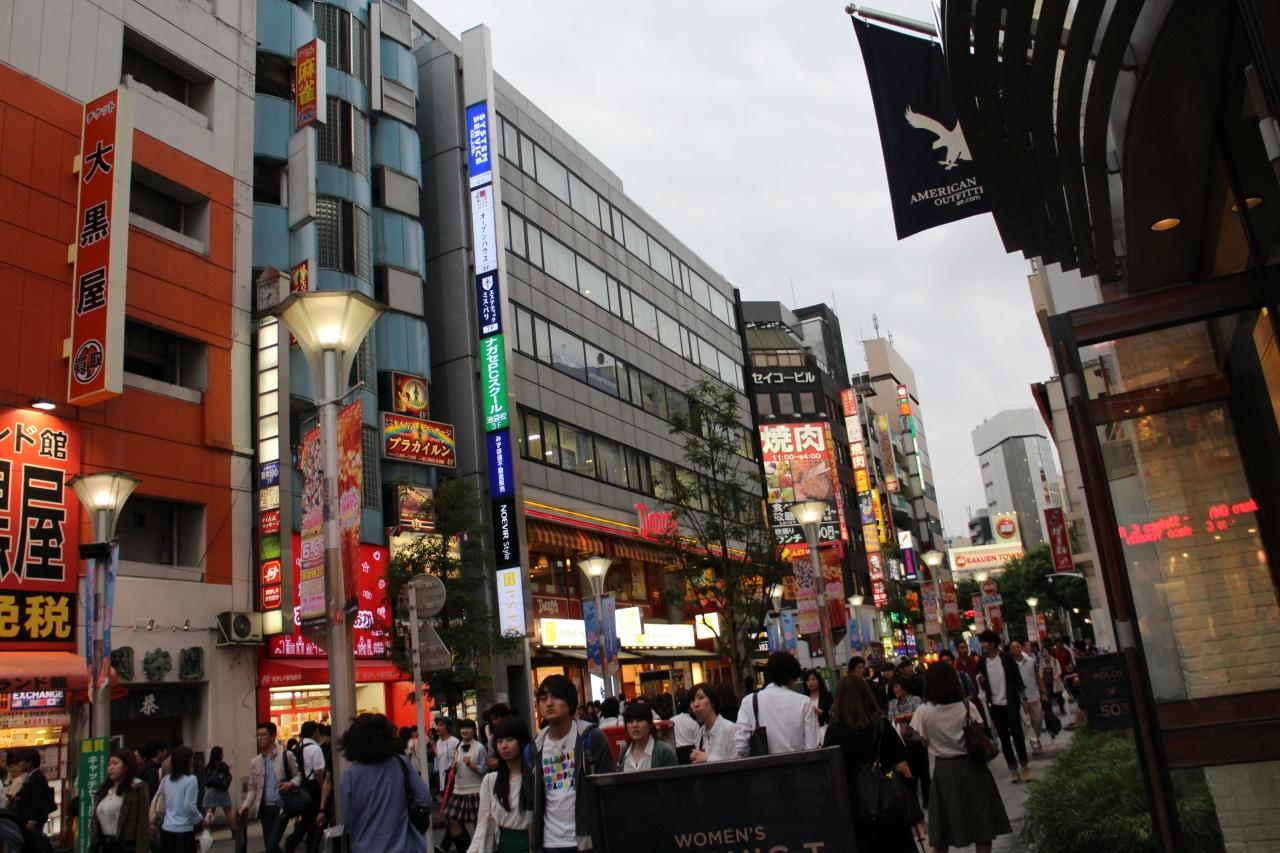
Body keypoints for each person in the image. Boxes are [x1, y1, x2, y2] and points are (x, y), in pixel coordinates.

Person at [911, 662, 1011, 853]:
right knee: (982, 824)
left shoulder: (923, 711)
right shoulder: (966, 706)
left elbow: (923, 740)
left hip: (944, 770)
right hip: (973, 765)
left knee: (942, 829)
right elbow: (979, 730)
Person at [823, 676, 916, 853]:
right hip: (886, 801)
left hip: (854, 806)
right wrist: (910, 792)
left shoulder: (834, 730)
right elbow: (902, 765)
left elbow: (830, 770)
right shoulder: (881, 724)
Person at [530, 675, 615, 852]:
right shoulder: (535, 747)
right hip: (549, 843)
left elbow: (610, 791)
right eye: (543, 699)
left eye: (556, 697)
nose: (549, 703)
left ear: (570, 703)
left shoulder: (592, 738)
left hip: (586, 842)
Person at [338, 713, 432, 852]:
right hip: (404, 846)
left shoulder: (350, 775)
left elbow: (347, 819)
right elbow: (424, 799)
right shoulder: (401, 763)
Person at [468, 718, 533, 853]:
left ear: (521, 741)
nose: (504, 746)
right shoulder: (490, 780)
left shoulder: (534, 777)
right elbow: (482, 823)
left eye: (510, 740)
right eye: (499, 741)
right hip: (502, 846)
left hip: (530, 845)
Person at [976, 630, 1032, 782]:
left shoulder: (1006, 658)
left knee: (1017, 734)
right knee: (1004, 738)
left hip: (1011, 702)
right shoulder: (982, 662)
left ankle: (1024, 766)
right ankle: (1012, 768)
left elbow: (1017, 678)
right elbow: (981, 681)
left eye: (984, 642)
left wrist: (1024, 699)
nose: (982, 645)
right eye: (981, 642)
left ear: (993, 643)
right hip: (995, 705)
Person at [736, 652, 818, 754]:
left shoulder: (749, 701)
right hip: (798, 762)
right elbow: (812, 746)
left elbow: (740, 747)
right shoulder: (804, 701)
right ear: (792, 676)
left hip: (762, 763)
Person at [239, 721, 301, 853]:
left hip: (281, 807)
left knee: (272, 845)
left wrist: (290, 784)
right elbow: (252, 788)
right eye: (258, 735)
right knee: (269, 847)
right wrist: (245, 805)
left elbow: (298, 776)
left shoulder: (286, 756)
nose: (259, 738)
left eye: (263, 735)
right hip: (264, 809)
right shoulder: (255, 762)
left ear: (272, 736)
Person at [89, 749, 151, 853]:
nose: (110, 767)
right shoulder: (104, 790)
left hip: (126, 846)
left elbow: (143, 824)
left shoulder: (136, 787)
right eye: (109, 764)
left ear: (126, 766)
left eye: (115, 763)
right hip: (105, 845)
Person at [443, 720, 487, 852]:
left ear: (474, 730)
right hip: (458, 790)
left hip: (475, 790)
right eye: (463, 728)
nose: (465, 731)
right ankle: (464, 847)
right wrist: (453, 767)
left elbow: (485, 770)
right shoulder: (458, 746)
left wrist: (472, 766)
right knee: (452, 820)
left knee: (478, 825)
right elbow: (455, 767)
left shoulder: (479, 747)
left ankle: (481, 849)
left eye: (468, 728)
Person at [282, 720, 326, 853]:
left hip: (300, 787)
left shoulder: (297, 747)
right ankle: (305, 845)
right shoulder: (315, 749)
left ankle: (293, 843)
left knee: (307, 818)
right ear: (315, 732)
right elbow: (318, 772)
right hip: (313, 787)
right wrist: (323, 787)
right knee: (313, 818)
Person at [888, 677, 930, 810]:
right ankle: (913, 800)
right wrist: (905, 716)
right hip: (902, 742)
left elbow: (919, 713)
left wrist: (903, 717)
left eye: (897, 687)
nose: (895, 690)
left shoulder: (915, 699)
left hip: (917, 739)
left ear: (904, 687)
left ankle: (927, 798)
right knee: (910, 773)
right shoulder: (893, 703)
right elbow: (890, 717)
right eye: (893, 688)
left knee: (923, 771)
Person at [157, 746, 207, 853]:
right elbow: (189, 806)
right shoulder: (191, 780)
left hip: (167, 828)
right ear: (186, 761)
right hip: (183, 830)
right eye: (191, 758)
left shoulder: (166, 779)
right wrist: (200, 819)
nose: (192, 761)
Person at [7, 747, 55, 849]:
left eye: (21, 761)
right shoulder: (30, 776)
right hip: (26, 818)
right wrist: (17, 797)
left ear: (29, 763)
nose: (19, 764)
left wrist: (32, 821)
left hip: (32, 821)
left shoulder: (38, 777)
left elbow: (37, 802)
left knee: (33, 844)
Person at [688, 683, 744, 763]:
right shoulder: (700, 733)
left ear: (713, 702)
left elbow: (738, 764)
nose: (695, 704)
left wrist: (708, 758)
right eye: (692, 701)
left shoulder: (730, 729)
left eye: (701, 698)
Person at [1009, 641, 1046, 754]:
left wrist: (1043, 691)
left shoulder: (1031, 661)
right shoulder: (1010, 665)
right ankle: (1034, 743)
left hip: (1034, 694)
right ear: (1010, 651)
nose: (1016, 649)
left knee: (1038, 719)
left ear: (1021, 648)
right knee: (1027, 722)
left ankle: (1036, 737)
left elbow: (1037, 677)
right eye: (1013, 648)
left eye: (1018, 647)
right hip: (1020, 697)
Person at [619, 702, 677, 771]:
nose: (635, 725)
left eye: (639, 720)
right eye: (630, 721)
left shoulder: (663, 751)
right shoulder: (624, 751)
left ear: (650, 725)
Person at [201, 746, 235, 835]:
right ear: (220, 754)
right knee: (228, 812)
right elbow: (228, 776)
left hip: (211, 791)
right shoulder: (223, 765)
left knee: (209, 812)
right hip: (222, 790)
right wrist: (229, 769)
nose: (223, 754)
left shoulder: (208, 766)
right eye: (222, 753)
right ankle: (234, 831)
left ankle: (206, 834)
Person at [670, 692, 699, 765]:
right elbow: (697, 743)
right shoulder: (693, 723)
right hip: (690, 752)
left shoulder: (672, 720)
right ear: (689, 709)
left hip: (675, 753)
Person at [435, 718, 460, 795]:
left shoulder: (455, 741)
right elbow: (439, 760)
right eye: (437, 725)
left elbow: (458, 760)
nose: (438, 727)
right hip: (442, 781)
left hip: (453, 780)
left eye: (441, 725)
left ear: (448, 727)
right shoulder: (438, 743)